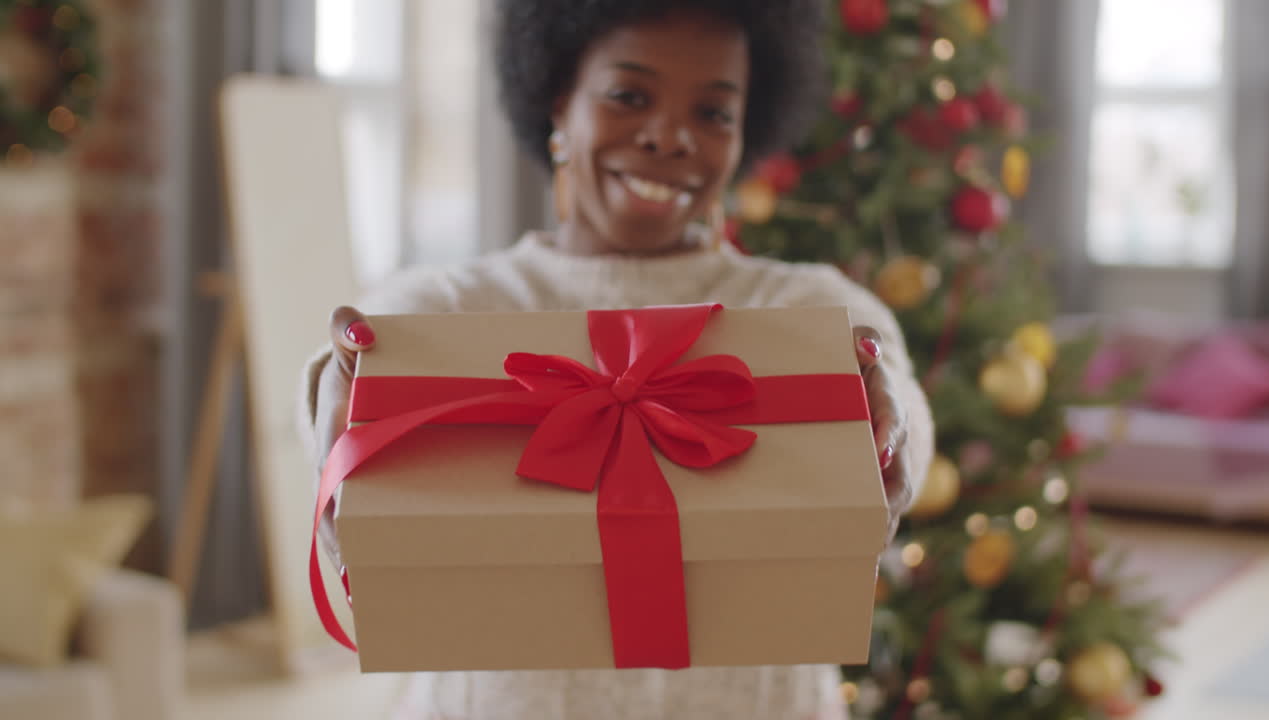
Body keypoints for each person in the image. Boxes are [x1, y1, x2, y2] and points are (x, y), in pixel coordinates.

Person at [299, 1, 935, 717]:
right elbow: (336, 388)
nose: (670, 137)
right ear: (558, 103)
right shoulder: (447, 305)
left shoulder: (813, 310)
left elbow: (901, 404)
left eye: (714, 114)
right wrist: (335, 392)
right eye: (629, 96)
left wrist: (894, 431)